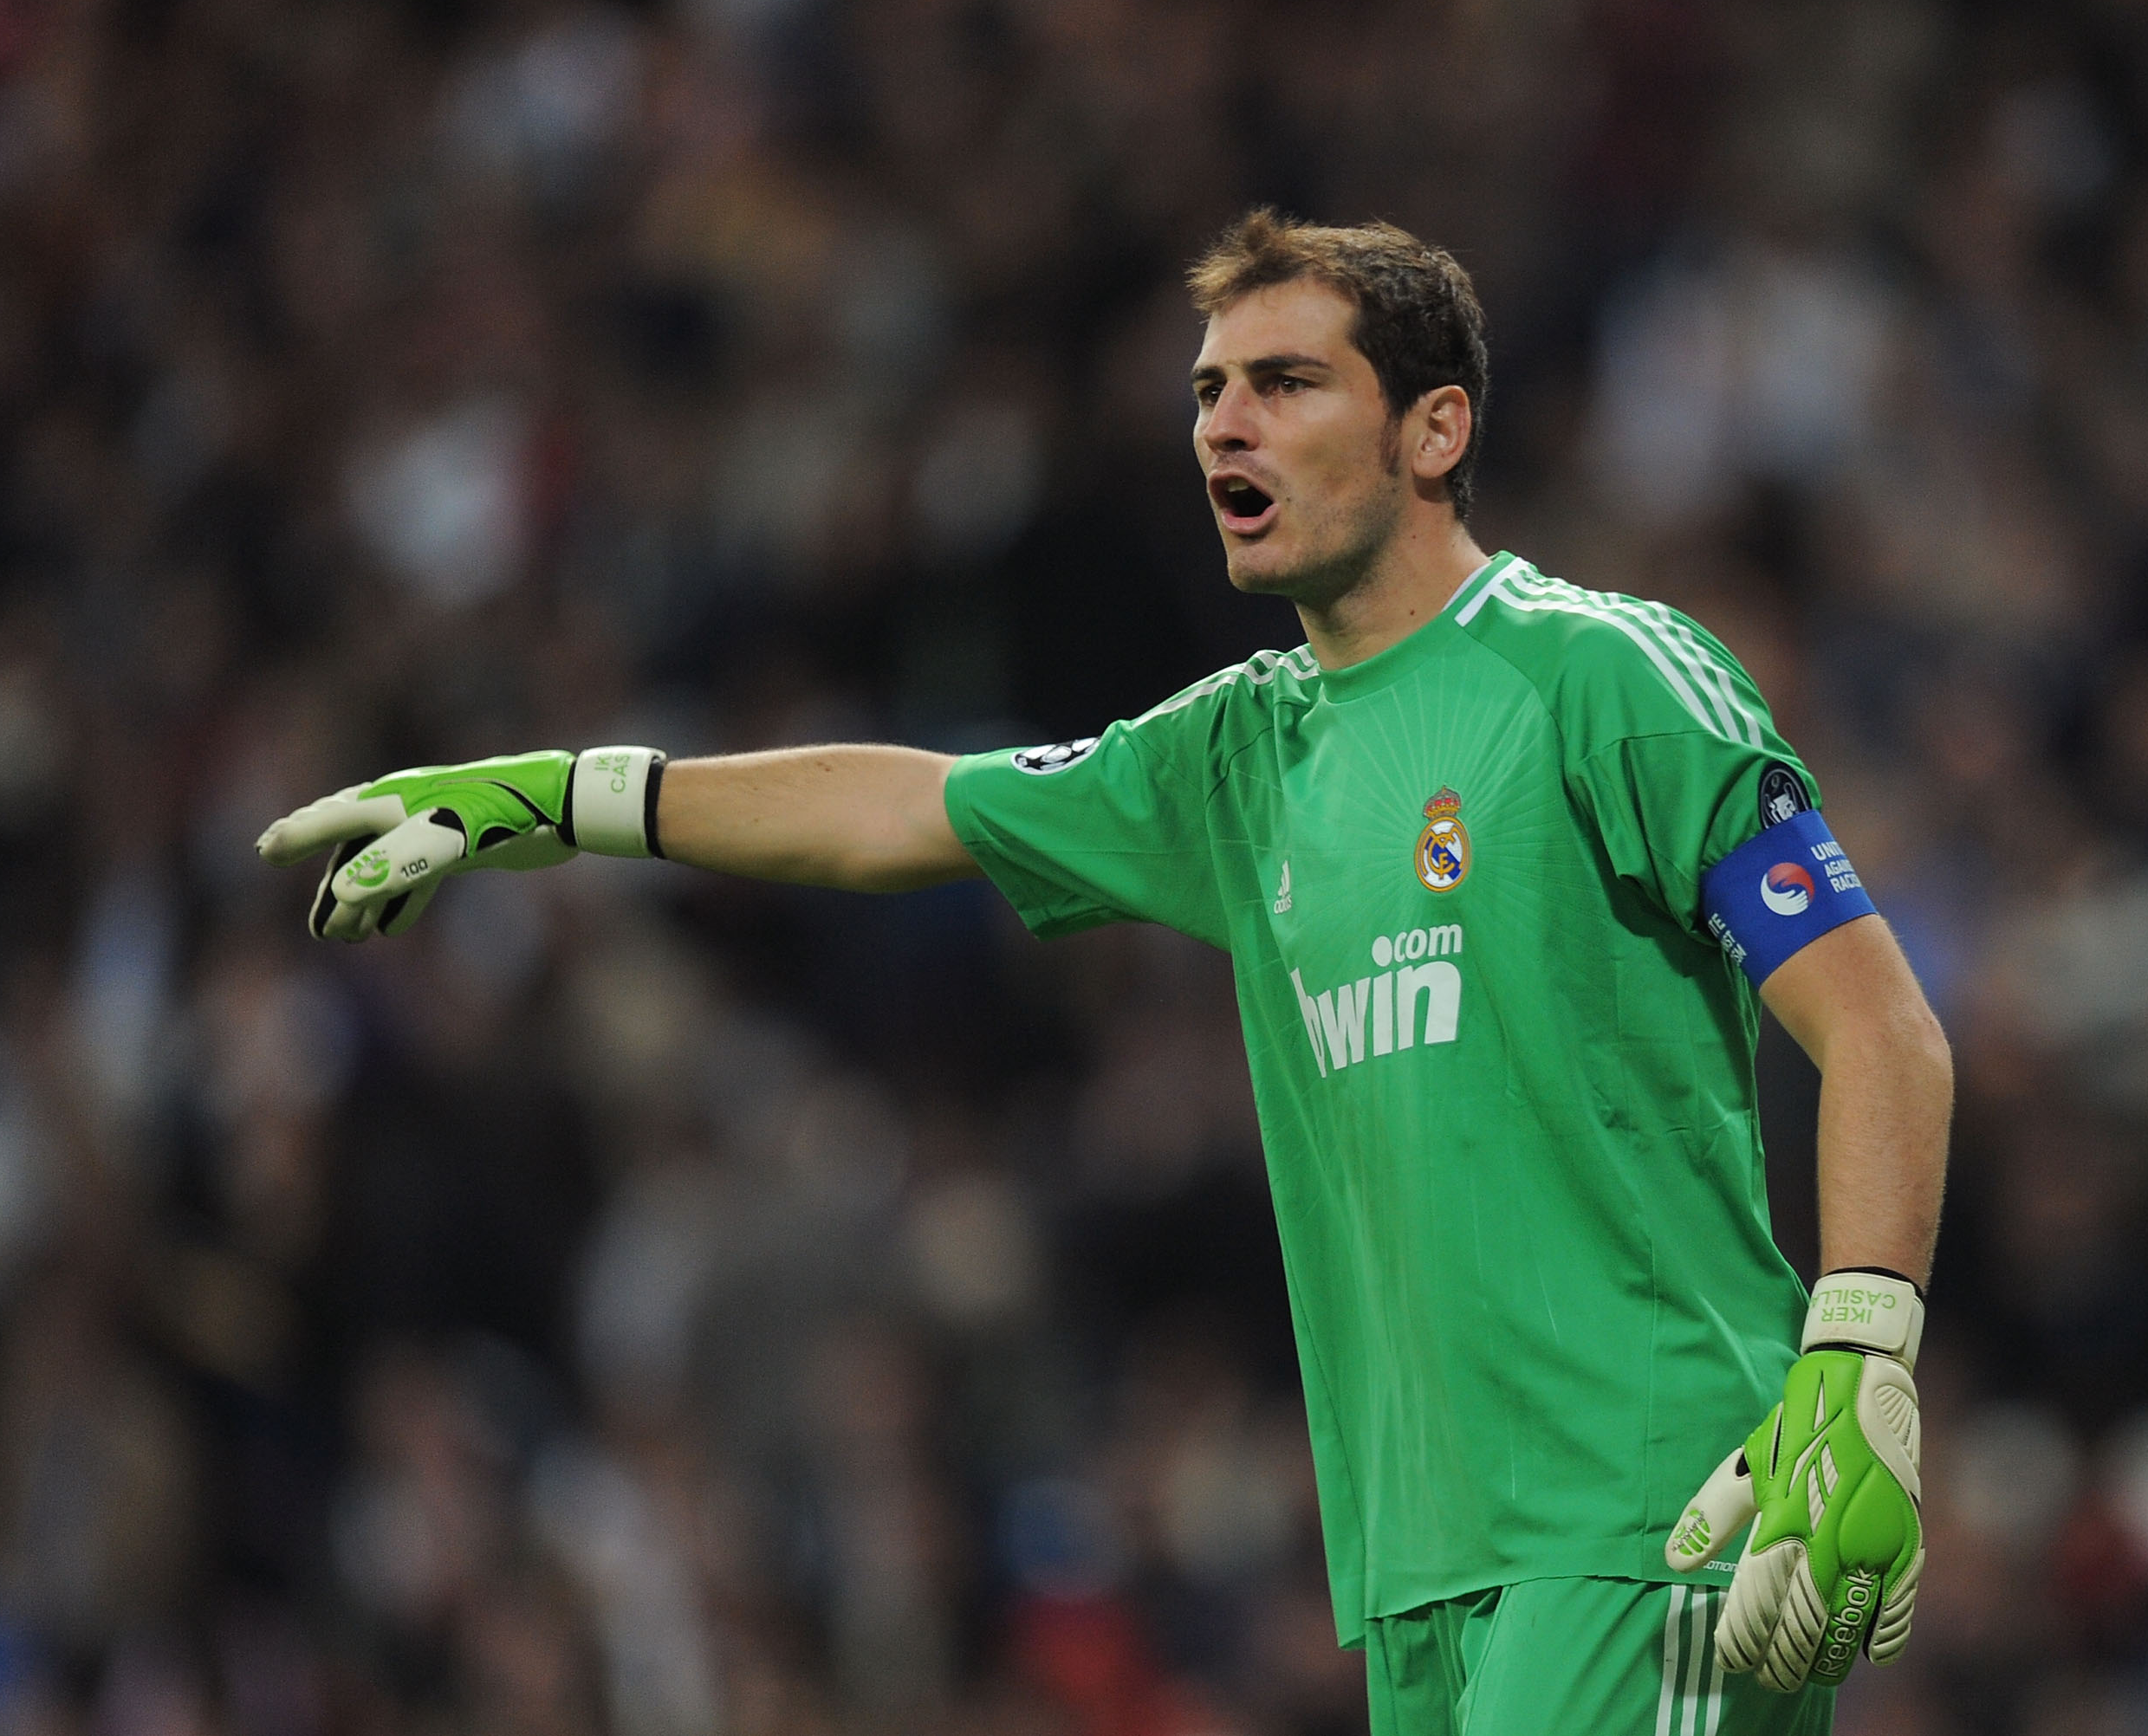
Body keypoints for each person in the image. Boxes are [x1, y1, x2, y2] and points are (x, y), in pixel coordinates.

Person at [259, 212, 1950, 1736]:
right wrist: (569, 796)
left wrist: (1861, 1350)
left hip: (1645, 1512)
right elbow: (910, 806)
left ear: (1437, 427)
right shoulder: (1242, 756)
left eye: (1287, 382)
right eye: (1212, 389)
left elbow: (1875, 1018)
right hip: (1425, 1562)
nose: (1225, 422)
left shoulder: (1605, 679)